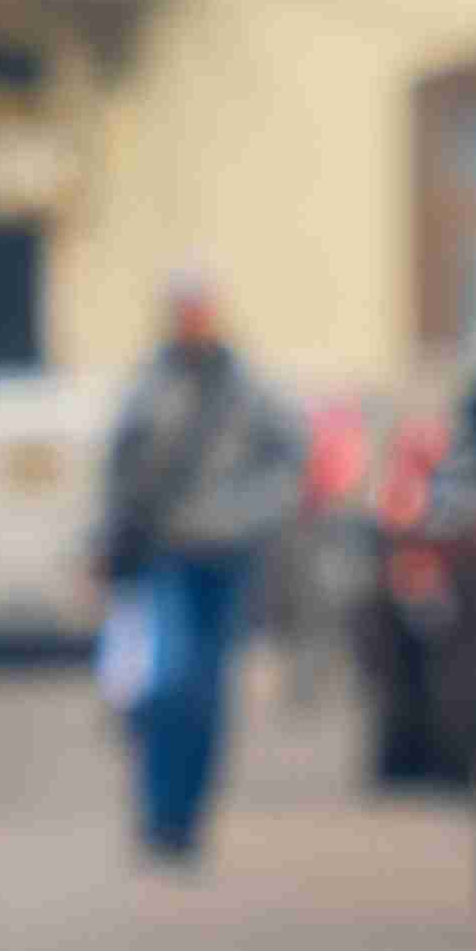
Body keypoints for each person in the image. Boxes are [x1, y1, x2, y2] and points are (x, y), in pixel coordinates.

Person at [95, 270, 307, 864]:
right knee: (169, 682)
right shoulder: (151, 386)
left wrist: (257, 512)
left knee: (210, 694)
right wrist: (110, 534)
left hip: (229, 553)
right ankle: (158, 810)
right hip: (168, 551)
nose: (193, 319)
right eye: (185, 309)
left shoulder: (247, 389)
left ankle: (188, 817)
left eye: (201, 309)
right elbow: (120, 467)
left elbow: (288, 459)